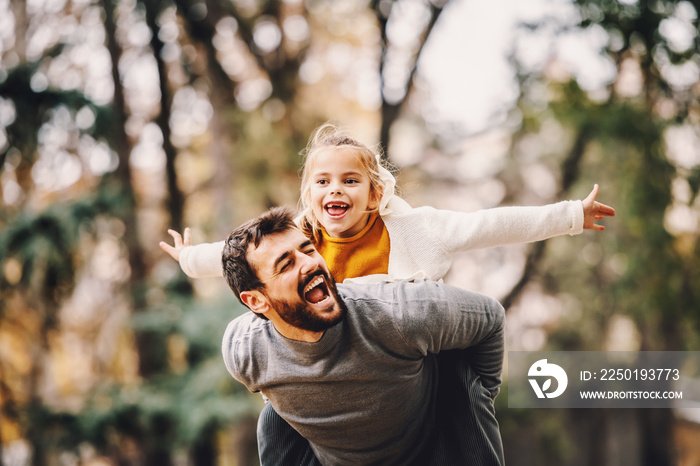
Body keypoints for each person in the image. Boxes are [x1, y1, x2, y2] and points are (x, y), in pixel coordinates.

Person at [220, 206, 506, 465]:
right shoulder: (243, 351)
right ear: (256, 301)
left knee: (462, 378)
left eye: (308, 250)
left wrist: (483, 397)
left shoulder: (399, 311)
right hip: (335, 461)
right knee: (273, 419)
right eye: (286, 264)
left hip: (432, 448)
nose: (308, 263)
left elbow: (491, 317)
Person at [160, 123, 615, 284]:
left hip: (400, 348)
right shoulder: (298, 238)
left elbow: (489, 224)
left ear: (376, 194)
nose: (335, 189)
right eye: (323, 181)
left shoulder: (416, 229)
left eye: (350, 180)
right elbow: (240, 253)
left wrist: (571, 214)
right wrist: (189, 258)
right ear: (309, 195)